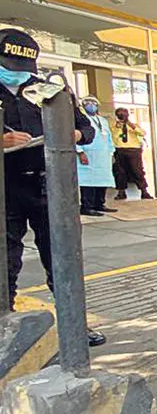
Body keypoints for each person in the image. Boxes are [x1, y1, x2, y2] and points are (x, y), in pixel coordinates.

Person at [1, 28, 106, 346]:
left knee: (62, 258)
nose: (17, 74)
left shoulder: (49, 89)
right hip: (6, 190)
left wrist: (72, 134)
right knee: (5, 262)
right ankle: (5, 328)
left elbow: (86, 128)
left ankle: (75, 324)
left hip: (50, 186)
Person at [77, 95, 117, 216]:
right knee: (88, 181)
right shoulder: (81, 120)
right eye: (88, 103)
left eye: (93, 103)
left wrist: (111, 151)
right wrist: (80, 152)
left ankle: (99, 204)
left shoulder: (103, 120)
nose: (91, 105)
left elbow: (108, 136)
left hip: (103, 155)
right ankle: (87, 206)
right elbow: (75, 137)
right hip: (87, 154)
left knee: (102, 180)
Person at [111, 107, 152, 201]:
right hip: (120, 149)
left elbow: (143, 133)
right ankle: (121, 192)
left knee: (137, 171)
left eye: (124, 114)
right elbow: (113, 137)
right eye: (120, 114)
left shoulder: (134, 125)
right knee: (120, 171)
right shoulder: (114, 126)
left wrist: (131, 125)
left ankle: (144, 191)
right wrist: (118, 126)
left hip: (134, 150)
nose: (122, 116)